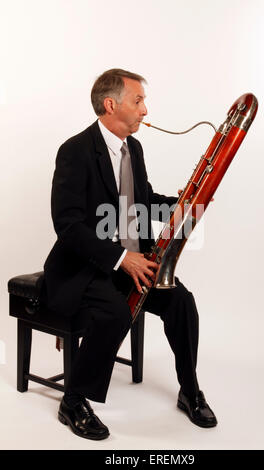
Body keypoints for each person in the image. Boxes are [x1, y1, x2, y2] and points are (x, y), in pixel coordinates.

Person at [43, 68, 217, 440]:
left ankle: (190, 390)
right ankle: (72, 401)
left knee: (181, 302)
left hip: (130, 263)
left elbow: (143, 202)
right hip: (84, 267)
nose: (145, 111)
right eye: (138, 101)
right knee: (113, 311)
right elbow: (68, 225)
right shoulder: (74, 151)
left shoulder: (133, 148)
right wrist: (122, 259)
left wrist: (188, 206)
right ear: (111, 104)